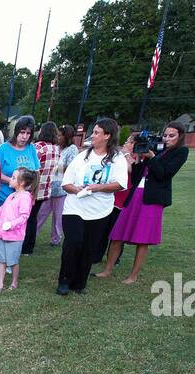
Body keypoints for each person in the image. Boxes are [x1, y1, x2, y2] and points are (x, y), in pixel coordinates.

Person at [96, 122, 188, 284]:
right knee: (117, 234)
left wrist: (152, 157)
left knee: (142, 238)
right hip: (135, 195)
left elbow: (164, 174)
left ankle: (133, 276)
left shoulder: (181, 152)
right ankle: (107, 270)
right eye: (165, 135)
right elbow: (137, 172)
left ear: (180, 137)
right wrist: (138, 158)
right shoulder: (153, 147)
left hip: (152, 199)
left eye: (171, 136)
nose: (167, 138)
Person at [56, 118, 127, 295]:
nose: (92, 136)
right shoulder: (82, 157)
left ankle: (79, 283)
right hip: (75, 208)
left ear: (107, 136)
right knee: (73, 243)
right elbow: (66, 183)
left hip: (99, 211)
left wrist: (99, 187)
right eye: (93, 132)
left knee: (89, 247)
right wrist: (75, 188)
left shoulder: (117, 159)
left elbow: (120, 184)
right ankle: (64, 280)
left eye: (97, 132)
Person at [0, 115, 40, 272]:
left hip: (22, 199)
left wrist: (32, 195)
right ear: (16, 131)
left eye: (28, 133)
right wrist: (14, 182)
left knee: (14, 231)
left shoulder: (31, 149)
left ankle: (2, 261)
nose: (24, 137)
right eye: (22, 132)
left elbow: (36, 173)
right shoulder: (4, 149)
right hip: (2, 197)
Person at [0, 168, 36, 292]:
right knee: (2, 261)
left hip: (15, 236)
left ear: (21, 183)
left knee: (13, 262)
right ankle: (0, 285)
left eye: (13, 178)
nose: (10, 179)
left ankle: (14, 283)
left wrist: (10, 225)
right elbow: (1, 212)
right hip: (3, 234)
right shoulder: (11, 196)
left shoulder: (25, 197)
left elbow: (23, 217)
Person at [21, 122, 60, 256]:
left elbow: (30, 166)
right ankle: (29, 247)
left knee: (27, 218)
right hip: (45, 190)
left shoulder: (38, 147)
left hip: (33, 188)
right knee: (33, 218)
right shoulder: (56, 149)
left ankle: (25, 247)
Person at [38, 125, 75, 247]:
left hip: (61, 189)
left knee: (57, 216)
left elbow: (71, 168)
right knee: (41, 214)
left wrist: (54, 166)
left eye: (60, 135)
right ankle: (32, 235)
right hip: (49, 187)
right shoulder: (55, 147)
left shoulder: (72, 149)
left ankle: (56, 239)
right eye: (57, 135)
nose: (58, 137)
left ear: (67, 137)